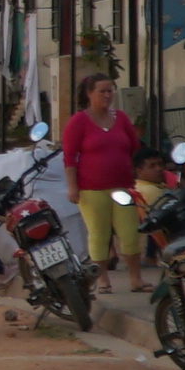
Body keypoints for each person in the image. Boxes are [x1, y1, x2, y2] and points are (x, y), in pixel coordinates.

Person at [62, 75, 143, 293]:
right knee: (99, 234)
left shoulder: (122, 118)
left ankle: (135, 278)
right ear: (89, 94)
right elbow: (70, 157)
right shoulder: (78, 122)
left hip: (123, 187)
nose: (108, 95)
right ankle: (103, 279)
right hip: (91, 189)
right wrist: (73, 187)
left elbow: (135, 148)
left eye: (110, 91)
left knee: (129, 233)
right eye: (102, 91)